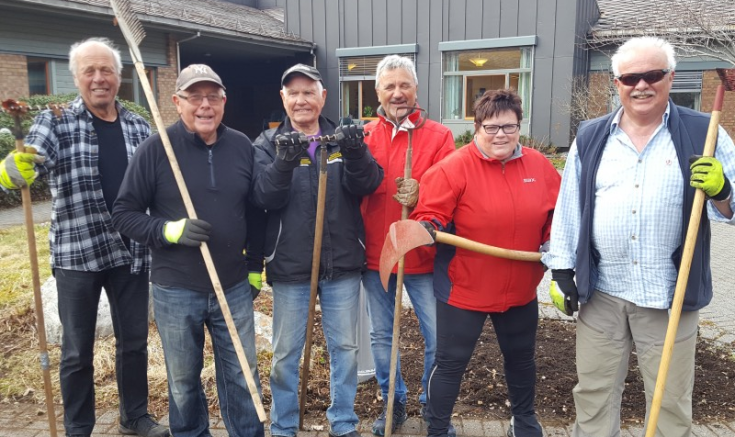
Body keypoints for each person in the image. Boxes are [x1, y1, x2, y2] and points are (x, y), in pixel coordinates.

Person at [542, 36, 735, 437]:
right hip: (603, 293)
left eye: (652, 75)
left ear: (670, 78)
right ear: (616, 83)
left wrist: (724, 191)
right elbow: (569, 206)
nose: (641, 85)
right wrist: (561, 270)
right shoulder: (592, 135)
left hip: (669, 296)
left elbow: (732, 210)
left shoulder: (706, 133)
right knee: (592, 394)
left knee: (670, 401)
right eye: (630, 77)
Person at [0, 37, 168, 437]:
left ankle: (135, 416)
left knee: (134, 343)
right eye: (89, 71)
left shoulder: (138, 125)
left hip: (131, 252)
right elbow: (30, 162)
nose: (98, 79)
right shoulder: (55, 120)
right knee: (77, 351)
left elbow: (155, 185)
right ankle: (78, 426)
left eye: (106, 70)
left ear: (118, 76)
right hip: (78, 254)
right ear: (76, 78)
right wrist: (12, 169)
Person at [112, 64, 264, 437]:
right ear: (177, 102)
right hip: (175, 289)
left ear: (224, 101)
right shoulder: (156, 149)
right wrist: (168, 230)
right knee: (182, 380)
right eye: (194, 97)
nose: (204, 105)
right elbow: (124, 214)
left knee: (243, 375)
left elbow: (257, 210)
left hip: (231, 285)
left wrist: (255, 266)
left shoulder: (242, 145)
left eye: (213, 96)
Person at [411, 89, 560, 437]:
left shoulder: (538, 165)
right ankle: (437, 428)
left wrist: (553, 239)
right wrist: (427, 226)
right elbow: (430, 213)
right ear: (477, 127)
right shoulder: (453, 168)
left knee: (521, 359)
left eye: (509, 127)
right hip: (464, 288)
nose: (501, 135)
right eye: (492, 127)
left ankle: (523, 421)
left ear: (519, 126)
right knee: (450, 363)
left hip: (520, 289)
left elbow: (557, 213)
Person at [249, 63, 383, 437]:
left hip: (341, 264)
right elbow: (263, 197)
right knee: (286, 355)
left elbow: (368, 184)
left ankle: (342, 423)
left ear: (323, 96)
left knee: (345, 349)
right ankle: (284, 425)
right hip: (291, 267)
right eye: (293, 92)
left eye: (309, 91)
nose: (301, 99)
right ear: (283, 98)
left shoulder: (342, 139)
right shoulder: (265, 145)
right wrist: (284, 162)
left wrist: (356, 153)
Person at [360, 54, 456, 436]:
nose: (397, 93)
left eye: (404, 85)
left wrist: (423, 193)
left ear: (416, 88)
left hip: (424, 257)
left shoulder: (439, 136)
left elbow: (452, 191)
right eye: (389, 86)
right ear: (378, 93)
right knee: (384, 336)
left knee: (438, 338)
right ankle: (392, 406)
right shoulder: (365, 135)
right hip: (376, 256)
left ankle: (433, 410)